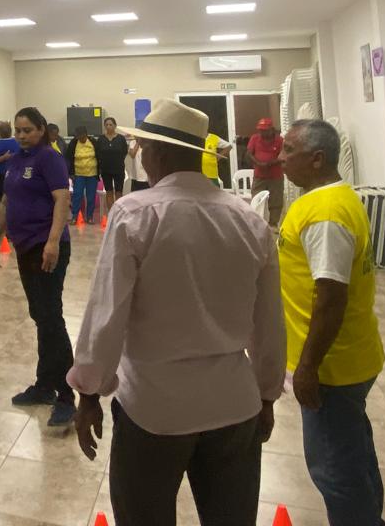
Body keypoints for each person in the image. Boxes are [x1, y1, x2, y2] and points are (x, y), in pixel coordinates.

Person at [69, 99, 286, 526]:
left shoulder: (135, 214)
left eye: (144, 147)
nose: (141, 155)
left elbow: (106, 314)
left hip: (154, 409)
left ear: (159, 153)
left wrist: (89, 392)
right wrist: (266, 394)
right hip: (233, 405)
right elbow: (268, 323)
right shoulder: (249, 221)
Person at [278, 120, 385, 526]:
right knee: (353, 452)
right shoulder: (330, 199)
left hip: (331, 368)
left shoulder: (325, 213)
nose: (281, 158)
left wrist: (308, 367)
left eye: (289, 150)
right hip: (347, 359)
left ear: (317, 159)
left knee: (335, 471)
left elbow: (331, 298)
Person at [0, 107, 75, 427]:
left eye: (27, 130)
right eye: (18, 130)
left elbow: (62, 200)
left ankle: (66, 395)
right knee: (40, 315)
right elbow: (6, 202)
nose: (22, 135)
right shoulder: (15, 160)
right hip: (24, 247)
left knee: (51, 316)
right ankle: (44, 385)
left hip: (46, 247)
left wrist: (53, 242)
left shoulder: (49, 158)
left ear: (41, 129)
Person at [247, 118, 285, 224]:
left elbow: (283, 156)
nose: (262, 133)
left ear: (271, 129)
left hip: (275, 176)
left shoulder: (280, 140)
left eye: (265, 130)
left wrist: (269, 163)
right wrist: (258, 163)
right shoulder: (255, 138)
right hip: (259, 176)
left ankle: (273, 224)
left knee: (276, 202)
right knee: (256, 200)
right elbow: (249, 154)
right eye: (260, 130)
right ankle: (256, 223)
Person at [64, 125, 100, 224]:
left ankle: (89, 217)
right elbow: (68, 158)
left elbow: (99, 155)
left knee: (91, 196)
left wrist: (99, 170)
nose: (80, 138)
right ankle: (75, 216)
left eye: (82, 136)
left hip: (92, 174)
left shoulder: (93, 142)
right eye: (78, 137)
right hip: (78, 174)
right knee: (77, 195)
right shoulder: (74, 143)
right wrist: (71, 173)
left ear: (86, 134)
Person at [95, 117, 129, 212]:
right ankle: (111, 213)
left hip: (118, 169)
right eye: (106, 125)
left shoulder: (121, 138)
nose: (108, 126)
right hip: (106, 170)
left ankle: (118, 213)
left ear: (115, 126)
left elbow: (124, 152)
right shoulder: (101, 139)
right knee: (109, 192)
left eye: (110, 124)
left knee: (118, 192)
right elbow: (98, 153)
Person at [0, 121, 20, 198]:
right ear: (11, 131)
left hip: (0, 173)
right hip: (15, 172)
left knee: (1, 193)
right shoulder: (18, 142)